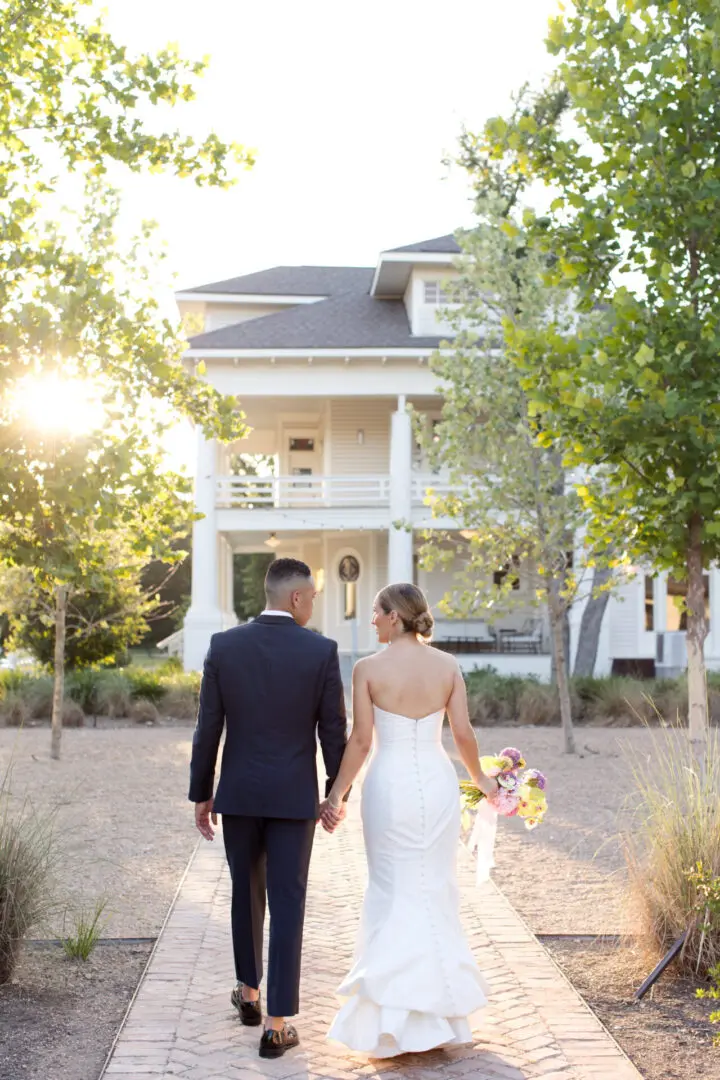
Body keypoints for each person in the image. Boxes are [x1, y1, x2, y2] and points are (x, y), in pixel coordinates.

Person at [321, 582, 499, 1058]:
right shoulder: (447, 666)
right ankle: (439, 1017)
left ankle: (391, 1017)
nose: (372, 620)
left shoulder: (367, 669)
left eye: (377, 613)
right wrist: (483, 780)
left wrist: (336, 794)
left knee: (390, 887)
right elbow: (461, 733)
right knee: (433, 886)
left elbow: (360, 741)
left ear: (395, 617)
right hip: (437, 784)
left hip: (389, 785)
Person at [188, 558, 347, 1060]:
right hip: (292, 799)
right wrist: (333, 793)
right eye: (314, 596)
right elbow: (332, 730)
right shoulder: (321, 650)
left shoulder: (224, 646)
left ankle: (248, 994)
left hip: (238, 795)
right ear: (296, 598)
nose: (314, 604)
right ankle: (276, 1025)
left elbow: (207, 726)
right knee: (288, 902)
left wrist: (202, 792)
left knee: (245, 893)